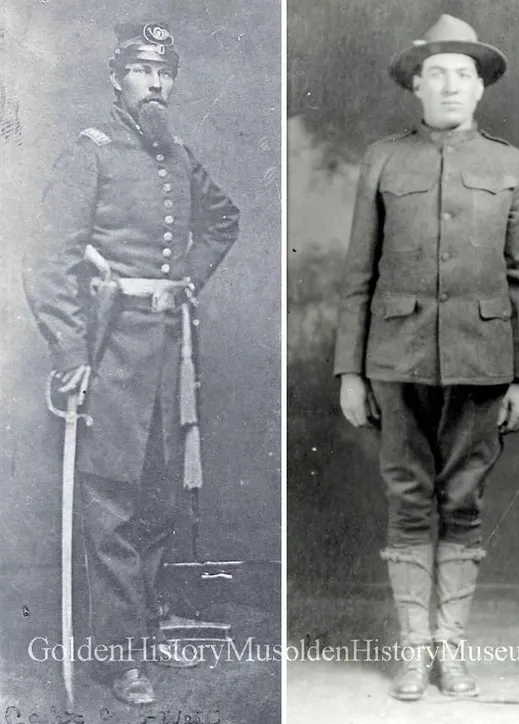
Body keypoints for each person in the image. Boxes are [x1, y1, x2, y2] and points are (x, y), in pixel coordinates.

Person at [24, 20, 239, 706]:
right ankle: (119, 659)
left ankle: (141, 632)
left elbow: (223, 220)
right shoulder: (91, 153)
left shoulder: (177, 155)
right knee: (111, 504)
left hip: (170, 355)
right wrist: (70, 351)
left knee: (157, 503)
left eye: (165, 72)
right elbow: (47, 261)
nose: (156, 83)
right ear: (116, 77)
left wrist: (182, 284)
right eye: (143, 70)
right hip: (111, 355)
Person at [334, 14, 519, 701]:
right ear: (416, 85)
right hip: (395, 360)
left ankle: (450, 652)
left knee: (463, 501)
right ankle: (412, 651)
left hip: (485, 363)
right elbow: (358, 273)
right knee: (408, 499)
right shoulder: (385, 160)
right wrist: (351, 369)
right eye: (437, 73)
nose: (451, 86)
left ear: (481, 89)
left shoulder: (511, 166)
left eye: (464, 74)